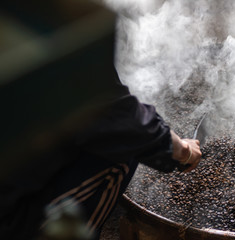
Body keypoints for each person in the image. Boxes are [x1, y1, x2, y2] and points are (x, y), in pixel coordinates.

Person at [0, 1, 202, 239]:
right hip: (10, 219)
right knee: (120, 154)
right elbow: (122, 121)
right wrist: (183, 150)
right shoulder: (61, 34)